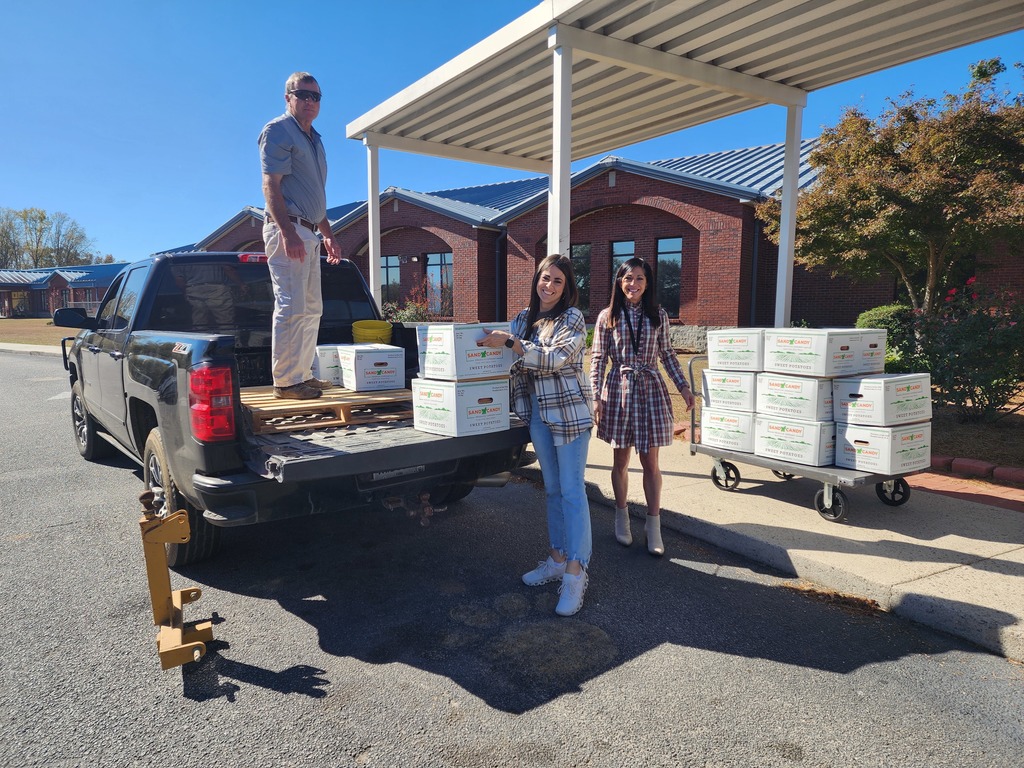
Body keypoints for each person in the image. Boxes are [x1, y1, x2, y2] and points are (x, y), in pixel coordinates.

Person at [477, 254, 594, 617]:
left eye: (558, 281)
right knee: (554, 490)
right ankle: (557, 558)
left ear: (567, 287)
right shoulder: (523, 319)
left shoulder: (572, 318)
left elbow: (554, 358)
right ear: (536, 279)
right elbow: (504, 356)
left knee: (573, 491)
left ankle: (576, 572)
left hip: (569, 417)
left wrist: (511, 343)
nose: (549, 286)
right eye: (545, 278)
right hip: (539, 416)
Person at [589, 257, 695, 556]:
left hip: (650, 390)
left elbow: (668, 355)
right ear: (619, 282)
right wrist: (595, 396)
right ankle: (621, 517)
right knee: (620, 461)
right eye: (627, 278)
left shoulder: (657, 315)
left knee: (651, 463)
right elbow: (597, 358)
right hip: (619, 392)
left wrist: (684, 387)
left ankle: (653, 523)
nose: (633, 284)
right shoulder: (606, 316)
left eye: (639, 279)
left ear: (647, 284)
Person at [258, 72, 342, 400]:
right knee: (292, 306)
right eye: (303, 94)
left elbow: (315, 198)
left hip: (310, 233)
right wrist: (287, 232)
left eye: (316, 96)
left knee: (311, 308)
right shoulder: (278, 130)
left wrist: (329, 236)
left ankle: (302, 375)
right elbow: (271, 186)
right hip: (289, 229)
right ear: (288, 97)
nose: (310, 101)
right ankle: (286, 382)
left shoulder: (316, 141)